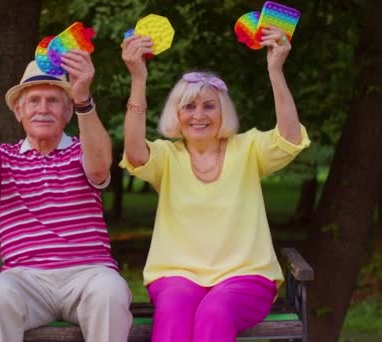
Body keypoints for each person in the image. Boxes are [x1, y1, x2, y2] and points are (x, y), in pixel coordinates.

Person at [0, 49, 132, 342]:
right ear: (18, 111)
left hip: (88, 275)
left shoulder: (83, 147)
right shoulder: (3, 157)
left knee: (110, 291)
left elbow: (98, 167)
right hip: (26, 281)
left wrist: (83, 98)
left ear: (68, 111)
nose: (43, 109)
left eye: (53, 100)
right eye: (33, 101)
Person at [119, 27, 311, 342]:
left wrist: (275, 70)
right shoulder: (167, 156)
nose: (199, 115)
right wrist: (138, 80)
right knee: (174, 312)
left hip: (246, 276)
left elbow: (289, 138)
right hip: (176, 275)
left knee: (215, 312)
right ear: (176, 114)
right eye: (189, 106)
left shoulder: (247, 148)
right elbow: (135, 153)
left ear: (223, 112)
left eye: (209, 106)